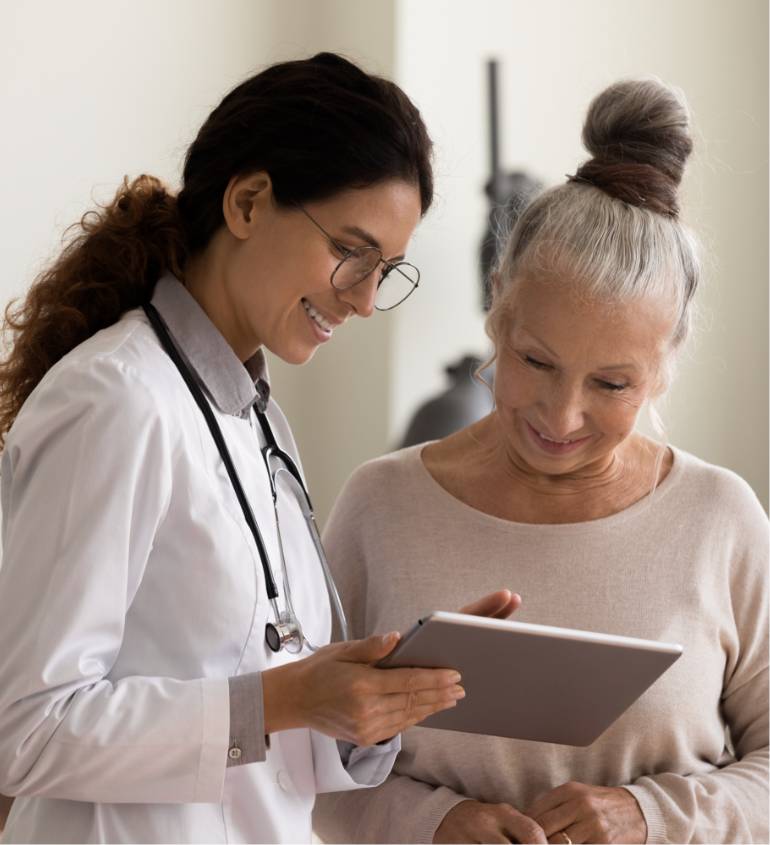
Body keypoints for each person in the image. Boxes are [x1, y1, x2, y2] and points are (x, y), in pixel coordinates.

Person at [0, 52, 514, 844]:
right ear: (247, 202)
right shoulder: (114, 401)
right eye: (352, 250)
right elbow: (26, 729)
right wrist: (286, 699)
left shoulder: (258, 420)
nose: (367, 300)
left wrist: (366, 701)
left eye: (388, 271)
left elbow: (260, 743)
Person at [313, 78, 769, 844]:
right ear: (497, 304)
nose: (561, 416)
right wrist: (433, 823)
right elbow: (310, 758)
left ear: (665, 364)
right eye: (535, 360)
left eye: (612, 383)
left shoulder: (719, 519)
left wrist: (649, 816)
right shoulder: (381, 504)